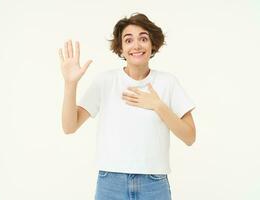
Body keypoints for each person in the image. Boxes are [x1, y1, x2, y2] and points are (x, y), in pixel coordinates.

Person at [59, 13, 196, 200]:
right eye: (128, 40)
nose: (136, 45)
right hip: (110, 183)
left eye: (143, 38)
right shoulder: (105, 81)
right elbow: (69, 127)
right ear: (121, 49)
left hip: (154, 184)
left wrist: (158, 105)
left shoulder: (168, 83)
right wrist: (70, 84)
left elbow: (190, 137)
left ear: (153, 45)